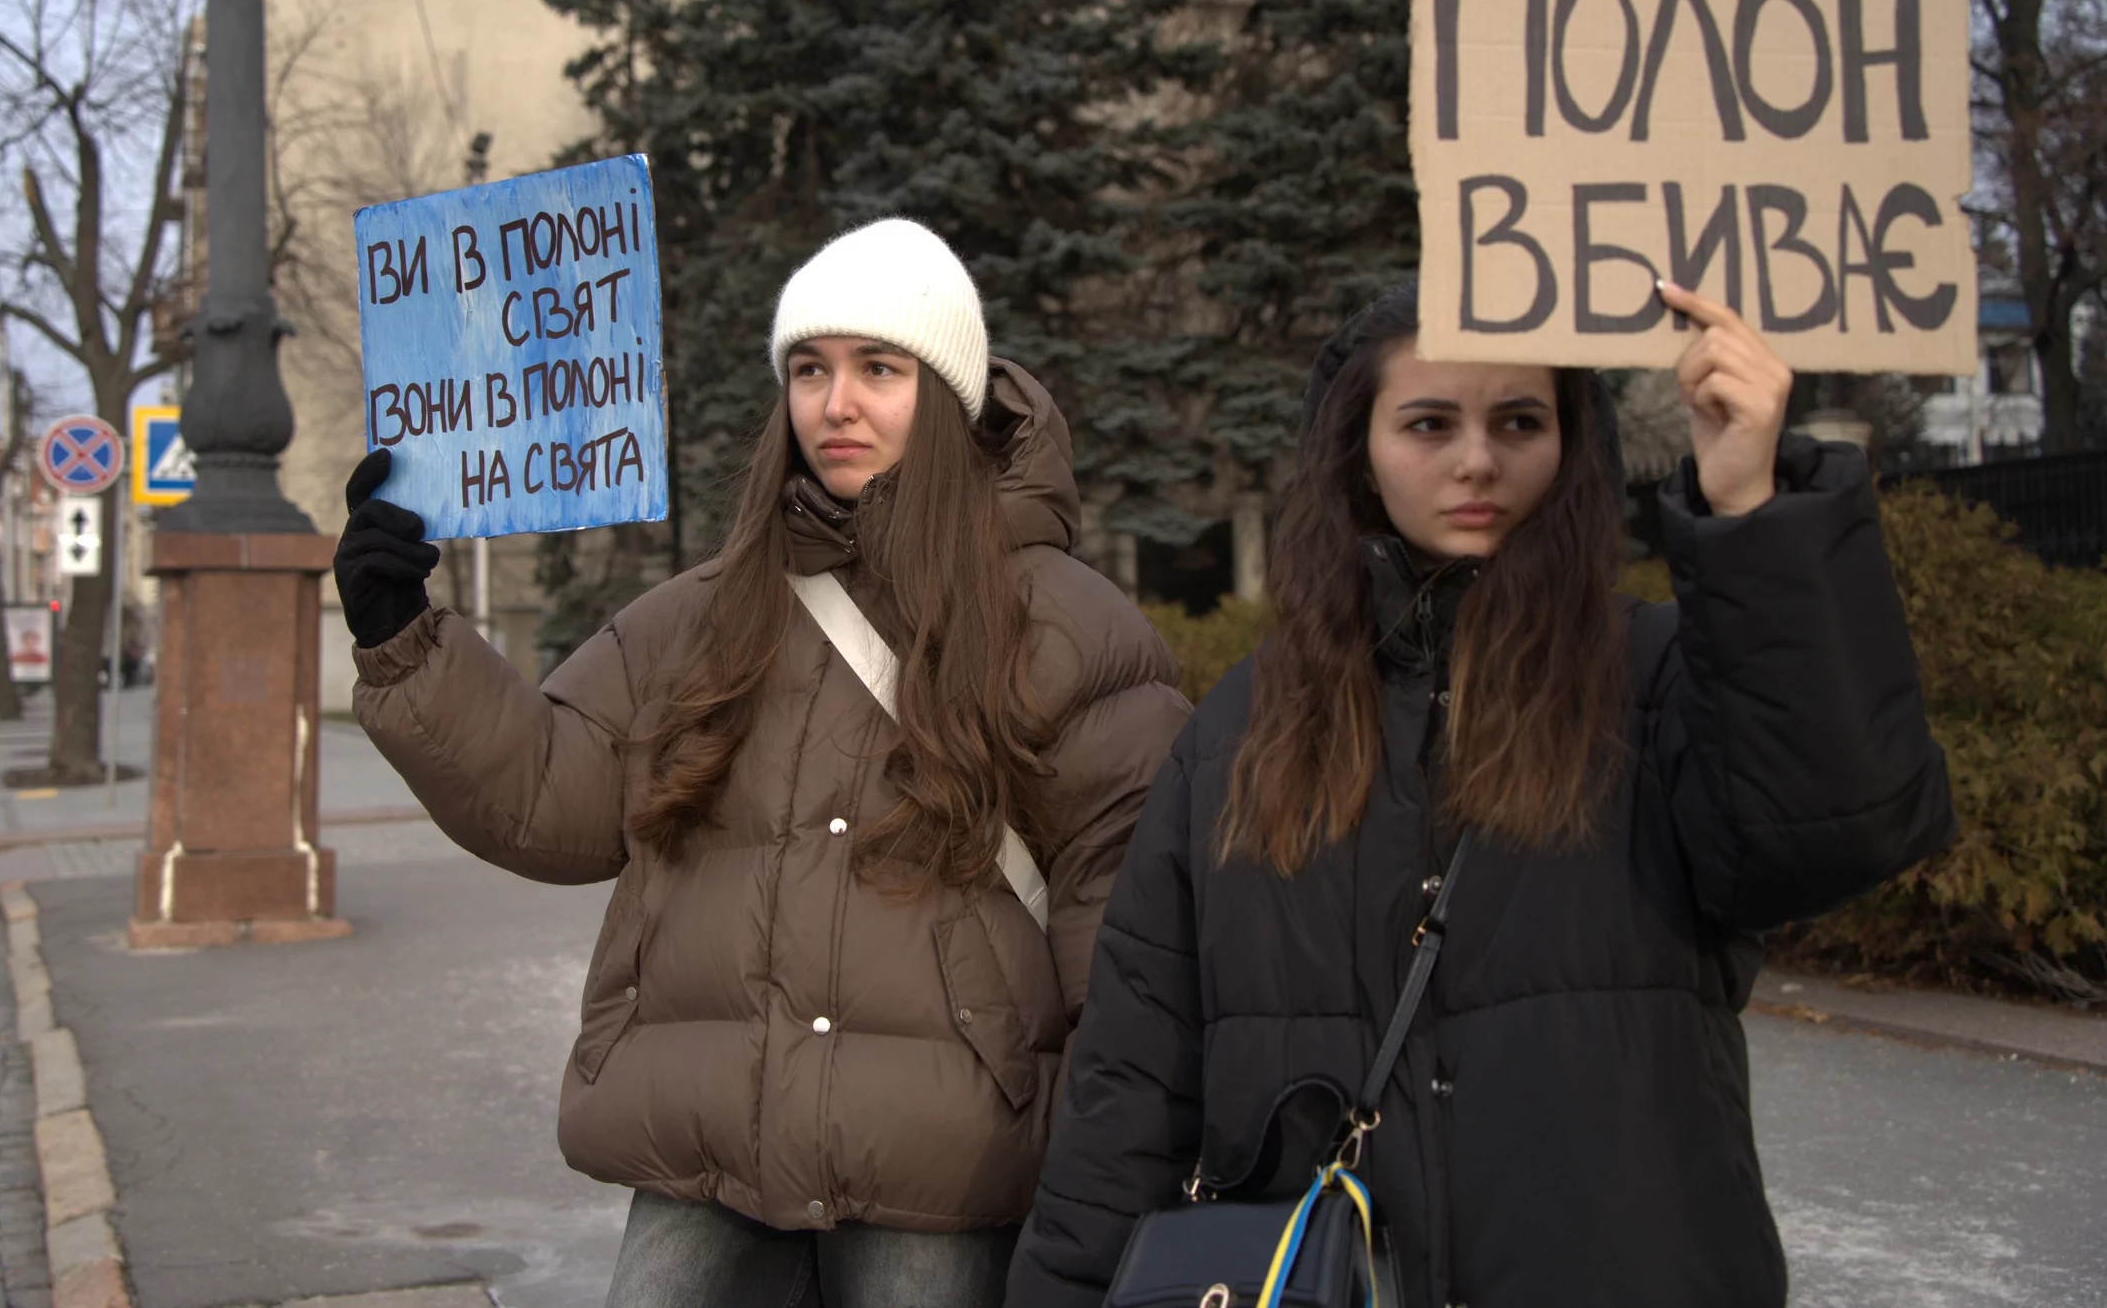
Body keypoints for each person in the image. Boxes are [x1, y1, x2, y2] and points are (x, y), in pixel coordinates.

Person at [1006, 280, 1956, 1308]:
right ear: (1358, 452)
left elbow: (1833, 830)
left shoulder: (1659, 677)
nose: (1477, 459)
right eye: (1427, 422)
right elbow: (1135, 1076)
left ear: (1572, 441)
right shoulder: (1244, 727)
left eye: (1519, 420)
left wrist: (1751, 512)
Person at [335, 219, 1192, 1308]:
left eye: (878, 368)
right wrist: (401, 634)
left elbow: (1124, 928)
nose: (836, 404)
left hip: (945, 1164)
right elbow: (551, 790)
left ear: (948, 393)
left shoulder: (1065, 627)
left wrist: (1105, 1173)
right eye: (809, 369)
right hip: (711, 1151)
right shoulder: (703, 612)